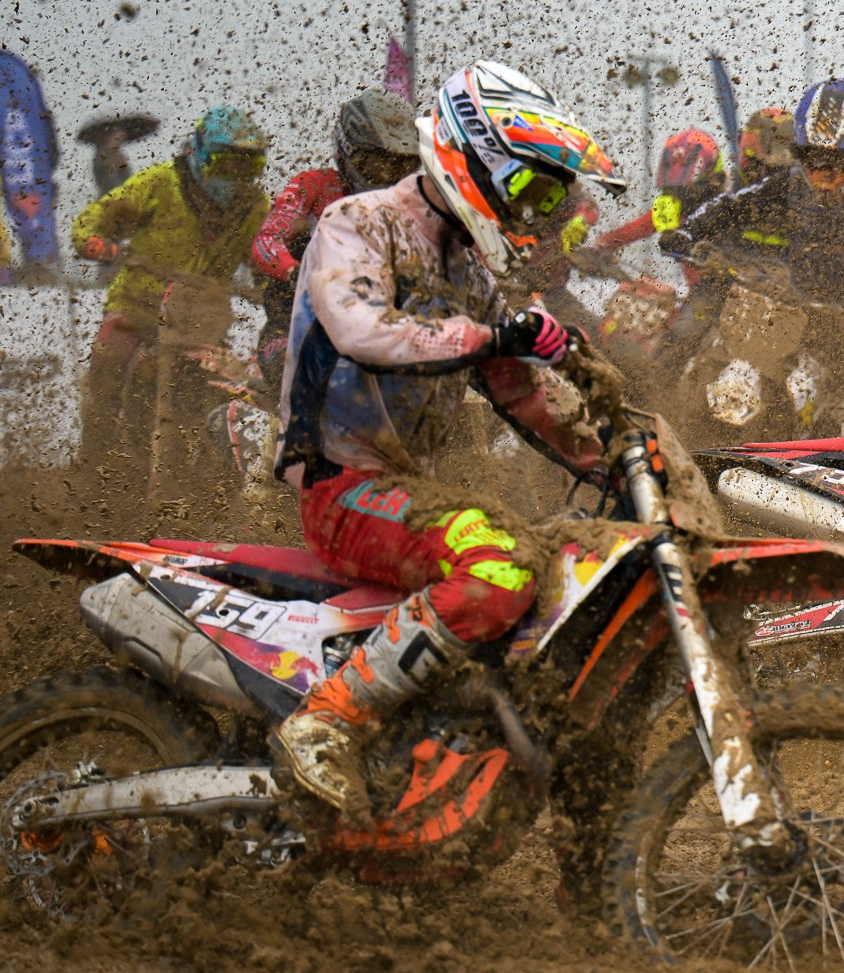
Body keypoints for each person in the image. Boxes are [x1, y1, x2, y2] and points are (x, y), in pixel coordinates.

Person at [270, 60, 626, 820]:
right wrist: (493, 331)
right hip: (340, 483)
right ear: (477, 158)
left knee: (561, 573)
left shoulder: (466, 263)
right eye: (530, 189)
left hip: (402, 489)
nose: (540, 210)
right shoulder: (358, 222)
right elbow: (362, 329)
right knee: (499, 562)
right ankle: (326, 719)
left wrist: (617, 456)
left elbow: (520, 391)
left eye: (551, 197)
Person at [665, 79, 844, 433]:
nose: (824, 174)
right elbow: (734, 204)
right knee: (709, 341)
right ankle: (676, 407)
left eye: (837, 162)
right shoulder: (790, 183)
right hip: (794, 308)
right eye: (813, 159)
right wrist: (689, 231)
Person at [72, 106, 271, 459]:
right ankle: (93, 460)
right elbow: (94, 220)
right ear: (200, 155)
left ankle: (218, 466)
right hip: (138, 305)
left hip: (201, 317)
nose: (236, 176)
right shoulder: (160, 183)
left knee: (228, 384)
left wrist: (274, 286)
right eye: (226, 164)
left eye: (247, 167)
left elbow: (263, 258)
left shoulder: (255, 207)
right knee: (108, 363)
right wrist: (98, 242)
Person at [248, 94, 419, 381]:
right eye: (378, 165)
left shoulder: (412, 206)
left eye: (398, 167)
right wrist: (296, 273)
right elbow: (266, 241)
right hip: (295, 329)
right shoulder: (315, 186)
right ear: (351, 153)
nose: (387, 176)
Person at [591, 127, 727, 252]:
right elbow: (633, 230)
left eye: (684, 183)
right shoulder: (674, 205)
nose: (678, 189)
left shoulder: (729, 206)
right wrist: (600, 246)